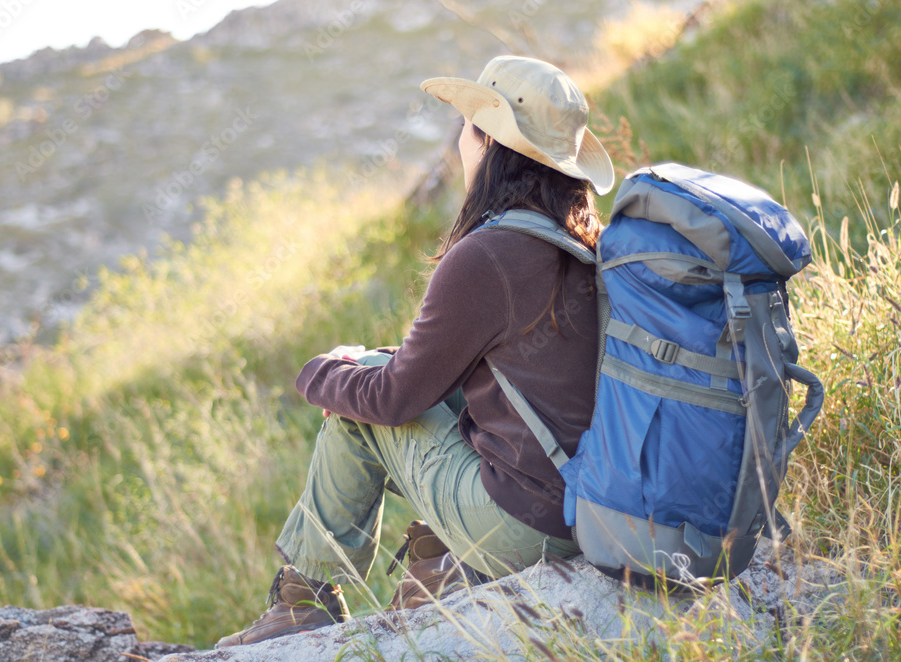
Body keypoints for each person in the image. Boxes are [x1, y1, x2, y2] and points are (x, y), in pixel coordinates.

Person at [216, 55, 615, 648]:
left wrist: (320, 374)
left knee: (358, 417)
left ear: (488, 143)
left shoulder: (490, 254)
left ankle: (308, 606)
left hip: (527, 526)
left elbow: (395, 398)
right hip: (592, 509)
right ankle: (440, 566)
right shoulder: (583, 242)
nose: (459, 139)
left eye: (466, 125)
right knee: (377, 381)